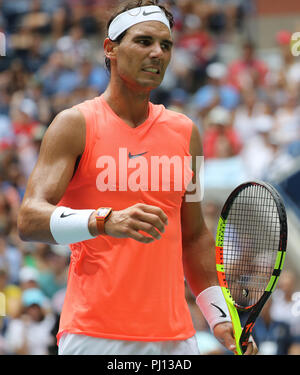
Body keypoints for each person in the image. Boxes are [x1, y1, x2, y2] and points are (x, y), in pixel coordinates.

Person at [17, 0, 257, 355]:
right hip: (95, 335)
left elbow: (193, 238)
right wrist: (104, 220)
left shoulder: (185, 132)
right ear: (110, 49)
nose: (157, 53)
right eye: (144, 42)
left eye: (166, 45)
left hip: (176, 339)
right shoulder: (75, 125)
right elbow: (29, 218)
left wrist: (220, 318)